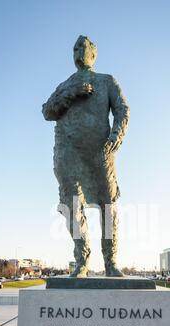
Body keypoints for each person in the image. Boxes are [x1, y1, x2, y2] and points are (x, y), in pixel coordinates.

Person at [42, 35, 130, 278]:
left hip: (100, 150)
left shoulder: (106, 81)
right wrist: (71, 93)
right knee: (71, 206)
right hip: (68, 152)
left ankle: (111, 263)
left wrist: (117, 135)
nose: (79, 50)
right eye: (75, 48)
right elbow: (47, 111)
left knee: (108, 206)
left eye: (84, 46)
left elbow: (122, 109)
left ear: (94, 52)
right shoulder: (65, 85)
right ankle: (82, 260)